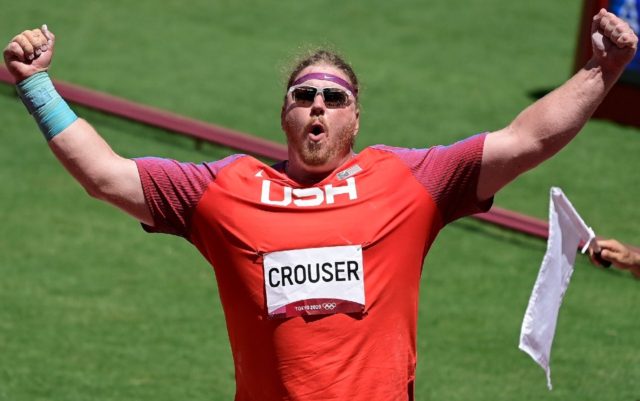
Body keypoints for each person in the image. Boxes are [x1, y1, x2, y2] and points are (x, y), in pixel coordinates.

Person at [3, 9, 637, 401]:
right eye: (304, 94)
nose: (317, 106)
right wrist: (35, 85)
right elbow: (107, 176)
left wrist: (601, 70)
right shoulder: (225, 188)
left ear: (356, 117)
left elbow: (527, 138)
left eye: (334, 98)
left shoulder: (409, 179)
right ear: (283, 113)